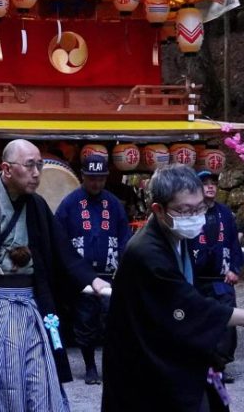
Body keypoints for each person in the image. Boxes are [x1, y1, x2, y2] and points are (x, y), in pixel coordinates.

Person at [0, 139, 107, 412]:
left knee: (39, 374)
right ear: (6, 169)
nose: (36, 173)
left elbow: (62, 251)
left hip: (32, 305)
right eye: (29, 165)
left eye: (39, 165)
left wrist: (91, 279)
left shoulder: (37, 205)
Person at [102, 164, 244, 412]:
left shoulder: (175, 234)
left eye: (200, 208)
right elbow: (190, 307)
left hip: (170, 348)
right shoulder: (147, 252)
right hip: (146, 361)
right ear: (158, 209)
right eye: (185, 210)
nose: (195, 217)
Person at [55, 151, 130, 384]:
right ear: (83, 176)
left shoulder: (114, 204)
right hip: (82, 276)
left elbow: (125, 236)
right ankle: (89, 366)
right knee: (85, 322)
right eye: (91, 178)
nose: (96, 182)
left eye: (100, 178)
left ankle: (112, 364)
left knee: (112, 322)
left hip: (110, 274)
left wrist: (124, 264)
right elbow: (59, 238)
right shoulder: (69, 203)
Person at [189, 170, 243, 384]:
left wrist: (234, 269)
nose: (210, 186)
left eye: (213, 183)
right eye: (205, 183)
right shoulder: (190, 213)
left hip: (222, 280)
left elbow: (234, 246)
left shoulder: (226, 214)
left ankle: (220, 365)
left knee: (227, 324)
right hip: (197, 280)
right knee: (199, 322)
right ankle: (201, 363)